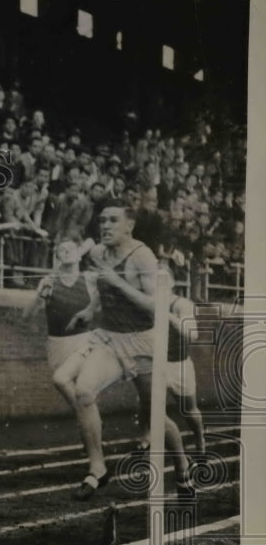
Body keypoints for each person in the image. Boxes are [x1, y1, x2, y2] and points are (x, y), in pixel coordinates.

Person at [53, 202, 192, 500]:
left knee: (156, 417)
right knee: (84, 392)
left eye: (113, 221)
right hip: (110, 340)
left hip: (143, 342)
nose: (105, 226)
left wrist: (116, 280)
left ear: (129, 226)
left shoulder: (142, 256)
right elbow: (104, 294)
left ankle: (181, 466)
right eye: (102, 220)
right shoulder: (99, 253)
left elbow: (156, 305)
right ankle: (98, 468)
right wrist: (90, 311)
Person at [22, 239, 98, 400]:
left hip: (83, 341)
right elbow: (27, 316)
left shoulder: (89, 279)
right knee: (73, 391)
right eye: (62, 250)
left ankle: (88, 417)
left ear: (79, 256)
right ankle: (89, 419)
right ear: (58, 258)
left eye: (71, 248)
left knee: (81, 389)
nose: (67, 251)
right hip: (58, 344)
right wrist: (39, 296)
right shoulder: (48, 282)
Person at [135, 293, 206, 459]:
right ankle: (145, 437)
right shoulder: (145, 300)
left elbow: (192, 334)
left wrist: (165, 314)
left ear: (171, 281)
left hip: (179, 365)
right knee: (146, 402)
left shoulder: (181, 304)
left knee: (189, 409)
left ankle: (200, 439)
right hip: (155, 363)